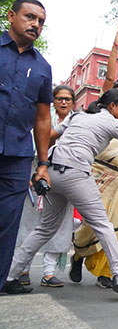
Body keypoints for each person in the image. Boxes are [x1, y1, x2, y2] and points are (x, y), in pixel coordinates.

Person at [7, 89, 118, 299]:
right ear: (112, 106)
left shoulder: (77, 116)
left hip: (53, 172)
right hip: (75, 173)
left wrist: (41, 167)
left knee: (45, 228)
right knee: (103, 225)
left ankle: (10, 276)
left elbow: (48, 136)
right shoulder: (111, 122)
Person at [71, 27, 118, 290]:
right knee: (95, 223)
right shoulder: (105, 112)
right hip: (99, 172)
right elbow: (111, 76)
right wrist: (114, 49)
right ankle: (79, 253)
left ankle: (109, 273)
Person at [0, 0, 52, 295]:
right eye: (30, 17)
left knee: (7, 226)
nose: (36, 24)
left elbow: (43, 117)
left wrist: (42, 164)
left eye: (41, 21)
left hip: (19, 157)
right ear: (11, 16)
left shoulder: (43, 67)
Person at [15, 85, 76, 288]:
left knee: (58, 226)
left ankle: (49, 273)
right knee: (29, 224)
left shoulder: (77, 122)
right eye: (59, 98)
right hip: (37, 174)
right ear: (53, 100)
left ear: (73, 102)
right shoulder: (41, 117)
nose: (64, 102)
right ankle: (22, 269)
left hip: (63, 176)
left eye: (68, 98)